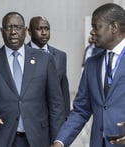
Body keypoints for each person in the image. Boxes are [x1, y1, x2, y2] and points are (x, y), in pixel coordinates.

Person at [0, 11, 65, 147]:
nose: (13, 32)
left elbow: (56, 103)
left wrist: (57, 140)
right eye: (9, 27)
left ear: (25, 31)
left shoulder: (44, 60)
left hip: (38, 138)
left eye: (18, 27)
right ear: (2, 31)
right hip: (0, 138)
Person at [52, 3, 125, 147]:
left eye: (96, 26)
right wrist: (60, 142)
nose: (91, 32)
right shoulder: (92, 64)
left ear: (114, 27)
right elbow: (81, 109)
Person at [27, 16, 70, 118]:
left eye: (46, 29)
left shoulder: (60, 56)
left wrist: (67, 117)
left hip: (55, 117)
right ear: (29, 31)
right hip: (30, 118)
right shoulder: (22, 54)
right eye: (39, 29)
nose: (44, 33)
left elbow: (63, 89)